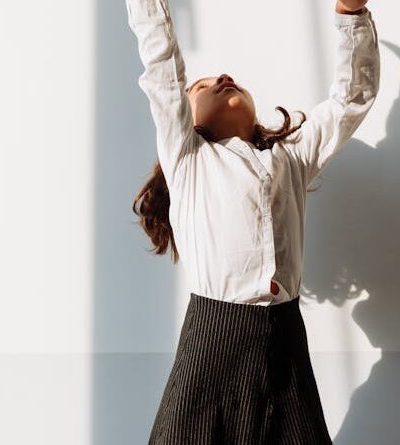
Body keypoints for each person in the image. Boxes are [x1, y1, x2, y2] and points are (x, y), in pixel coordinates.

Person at [125, 0, 380, 442]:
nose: (220, 78)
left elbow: (350, 100)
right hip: (211, 348)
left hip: (286, 347)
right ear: (186, 118)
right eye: (201, 86)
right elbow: (161, 60)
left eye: (222, 77)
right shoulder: (190, 159)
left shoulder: (292, 156)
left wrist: (351, 14)